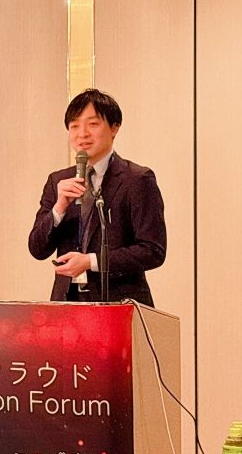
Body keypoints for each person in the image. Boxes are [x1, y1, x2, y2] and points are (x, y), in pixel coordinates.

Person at [28, 88, 166, 306]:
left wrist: (91, 261)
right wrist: (59, 208)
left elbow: (152, 250)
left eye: (92, 124)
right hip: (68, 303)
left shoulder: (137, 179)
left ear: (114, 127)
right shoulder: (58, 181)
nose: (82, 134)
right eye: (74, 126)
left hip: (119, 304)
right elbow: (37, 249)